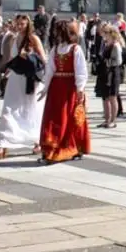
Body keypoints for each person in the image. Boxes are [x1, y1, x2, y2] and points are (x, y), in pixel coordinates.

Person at [0, 15, 47, 159]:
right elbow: (9, 58)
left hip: (30, 79)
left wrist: (30, 56)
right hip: (15, 78)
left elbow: (43, 60)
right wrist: (7, 69)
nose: (19, 26)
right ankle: (3, 143)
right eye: (18, 23)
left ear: (28, 24)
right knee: (9, 109)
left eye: (22, 24)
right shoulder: (12, 38)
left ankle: (36, 141)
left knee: (32, 110)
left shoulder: (33, 38)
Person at [39, 20, 91, 163]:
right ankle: (51, 147)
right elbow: (50, 70)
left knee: (69, 117)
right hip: (56, 88)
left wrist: (80, 89)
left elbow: (81, 71)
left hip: (70, 88)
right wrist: (45, 88)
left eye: (59, 31)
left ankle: (71, 147)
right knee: (53, 117)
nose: (56, 34)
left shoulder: (76, 49)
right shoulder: (55, 49)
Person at [94, 27, 124, 128]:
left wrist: (106, 62)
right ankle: (106, 120)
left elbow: (118, 61)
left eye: (106, 33)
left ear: (112, 34)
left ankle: (113, 120)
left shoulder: (116, 45)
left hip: (112, 73)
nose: (104, 35)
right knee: (105, 97)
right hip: (104, 73)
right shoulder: (106, 45)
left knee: (112, 97)